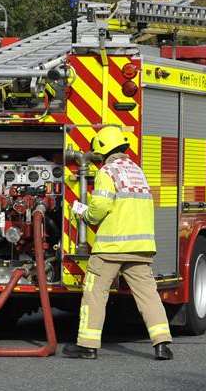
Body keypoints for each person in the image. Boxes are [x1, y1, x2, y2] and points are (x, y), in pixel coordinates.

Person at [64, 126, 173, 361]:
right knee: (148, 296)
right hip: (141, 247)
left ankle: (87, 345)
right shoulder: (138, 171)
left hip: (111, 249)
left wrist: (84, 214)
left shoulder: (107, 172)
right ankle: (162, 344)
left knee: (95, 294)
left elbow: (100, 208)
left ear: (102, 150)